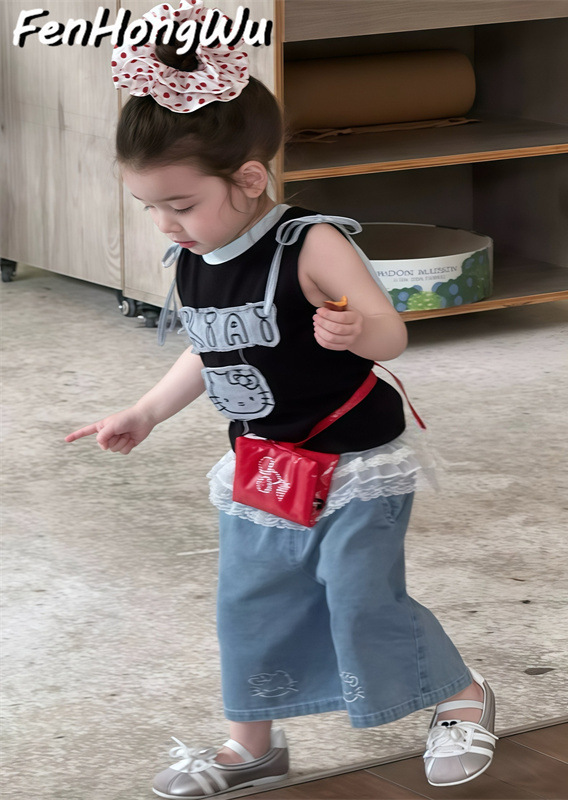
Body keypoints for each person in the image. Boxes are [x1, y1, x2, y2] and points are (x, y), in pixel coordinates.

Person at [65, 2, 497, 797]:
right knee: (250, 603)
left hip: (354, 462)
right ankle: (251, 748)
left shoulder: (312, 242)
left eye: (180, 206)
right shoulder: (194, 260)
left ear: (250, 179)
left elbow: (391, 334)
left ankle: (463, 696)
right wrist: (146, 411)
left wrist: (357, 330)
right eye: (150, 208)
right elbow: (209, 348)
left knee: (359, 597)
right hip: (264, 464)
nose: (166, 225)